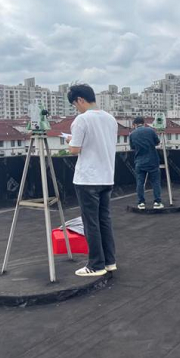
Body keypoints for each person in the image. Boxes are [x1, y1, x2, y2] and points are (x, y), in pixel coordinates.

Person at [67, 84, 118, 276]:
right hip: (107, 177)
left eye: (75, 104)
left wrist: (69, 141)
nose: (76, 108)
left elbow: (74, 149)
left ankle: (96, 265)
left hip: (88, 179)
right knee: (104, 220)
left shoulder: (81, 120)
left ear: (80, 100)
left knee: (91, 223)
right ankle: (109, 261)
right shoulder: (110, 119)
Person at [129, 116, 163, 210]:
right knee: (155, 182)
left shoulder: (132, 134)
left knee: (140, 182)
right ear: (144, 123)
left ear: (135, 125)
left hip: (139, 162)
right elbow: (157, 142)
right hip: (152, 161)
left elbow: (132, 147)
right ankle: (157, 202)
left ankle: (141, 203)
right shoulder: (150, 131)